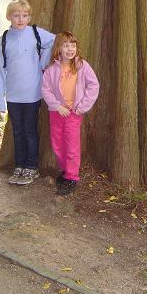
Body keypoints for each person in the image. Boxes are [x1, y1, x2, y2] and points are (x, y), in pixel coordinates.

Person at [0, 0, 55, 185]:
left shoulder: (36, 33)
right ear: (9, 17)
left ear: (29, 17)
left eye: (25, 15)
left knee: (29, 130)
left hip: (32, 94)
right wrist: (0, 102)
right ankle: (19, 165)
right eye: (16, 15)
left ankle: (31, 167)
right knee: (17, 131)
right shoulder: (3, 40)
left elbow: (54, 41)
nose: (21, 19)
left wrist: (43, 61)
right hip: (13, 95)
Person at [41, 31, 99, 195]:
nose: (69, 49)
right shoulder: (51, 69)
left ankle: (72, 177)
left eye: (72, 46)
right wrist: (56, 106)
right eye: (66, 46)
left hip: (74, 113)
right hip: (57, 113)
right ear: (58, 48)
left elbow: (93, 86)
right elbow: (45, 90)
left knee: (72, 145)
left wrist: (82, 107)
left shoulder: (82, 66)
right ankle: (66, 171)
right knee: (57, 143)